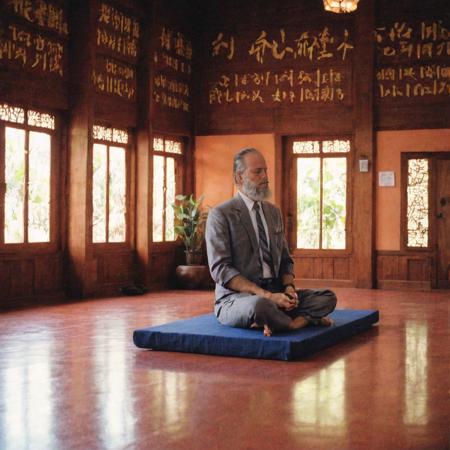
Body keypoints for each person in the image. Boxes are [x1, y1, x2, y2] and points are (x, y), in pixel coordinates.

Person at [205, 147, 337, 336]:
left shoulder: (273, 212)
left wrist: (288, 288)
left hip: (277, 294)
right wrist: (266, 296)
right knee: (260, 306)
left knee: (327, 297)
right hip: (238, 299)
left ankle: (282, 321)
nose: (265, 176)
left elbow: (285, 259)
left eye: (266, 170)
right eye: (257, 171)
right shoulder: (221, 215)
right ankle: (294, 323)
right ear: (239, 178)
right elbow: (221, 270)